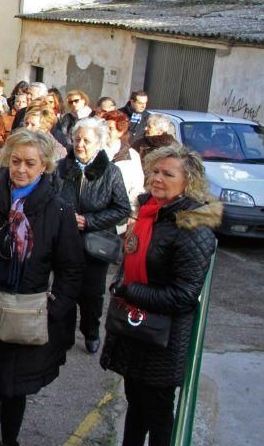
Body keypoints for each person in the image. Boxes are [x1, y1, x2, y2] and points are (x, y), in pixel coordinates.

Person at [0, 129, 84, 446]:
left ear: (45, 167)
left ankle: (9, 438)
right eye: (15, 161)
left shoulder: (58, 210)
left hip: (29, 310)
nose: (21, 169)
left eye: (30, 163)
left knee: (15, 382)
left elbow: (71, 267)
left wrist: (56, 307)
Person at [101, 145, 220, 446]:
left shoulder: (193, 224)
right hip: (136, 328)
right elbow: (129, 259)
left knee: (157, 411)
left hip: (163, 340)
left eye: (168, 173)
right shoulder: (149, 213)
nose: (157, 178)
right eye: (155, 171)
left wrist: (129, 291)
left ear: (188, 181)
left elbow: (185, 294)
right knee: (135, 403)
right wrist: (124, 286)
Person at [54, 118, 130, 354]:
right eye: (77, 139)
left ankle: (91, 331)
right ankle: (62, 335)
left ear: (98, 142)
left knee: (91, 295)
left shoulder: (110, 172)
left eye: (86, 140)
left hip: (95, 244)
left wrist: (89, 221)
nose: (80, 144)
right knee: (63, 289)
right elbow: (49, 199)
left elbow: (122, 209)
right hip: (64, 241)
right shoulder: (60, 168)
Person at [101, 110, 145, 227]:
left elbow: (136, 187)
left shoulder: (131, 155)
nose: (106, 131)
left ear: (120, 132)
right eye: (104, 127)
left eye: (110, 128)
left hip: (120, 218)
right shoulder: (94, 151)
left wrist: (133, 213)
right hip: (96, 214)